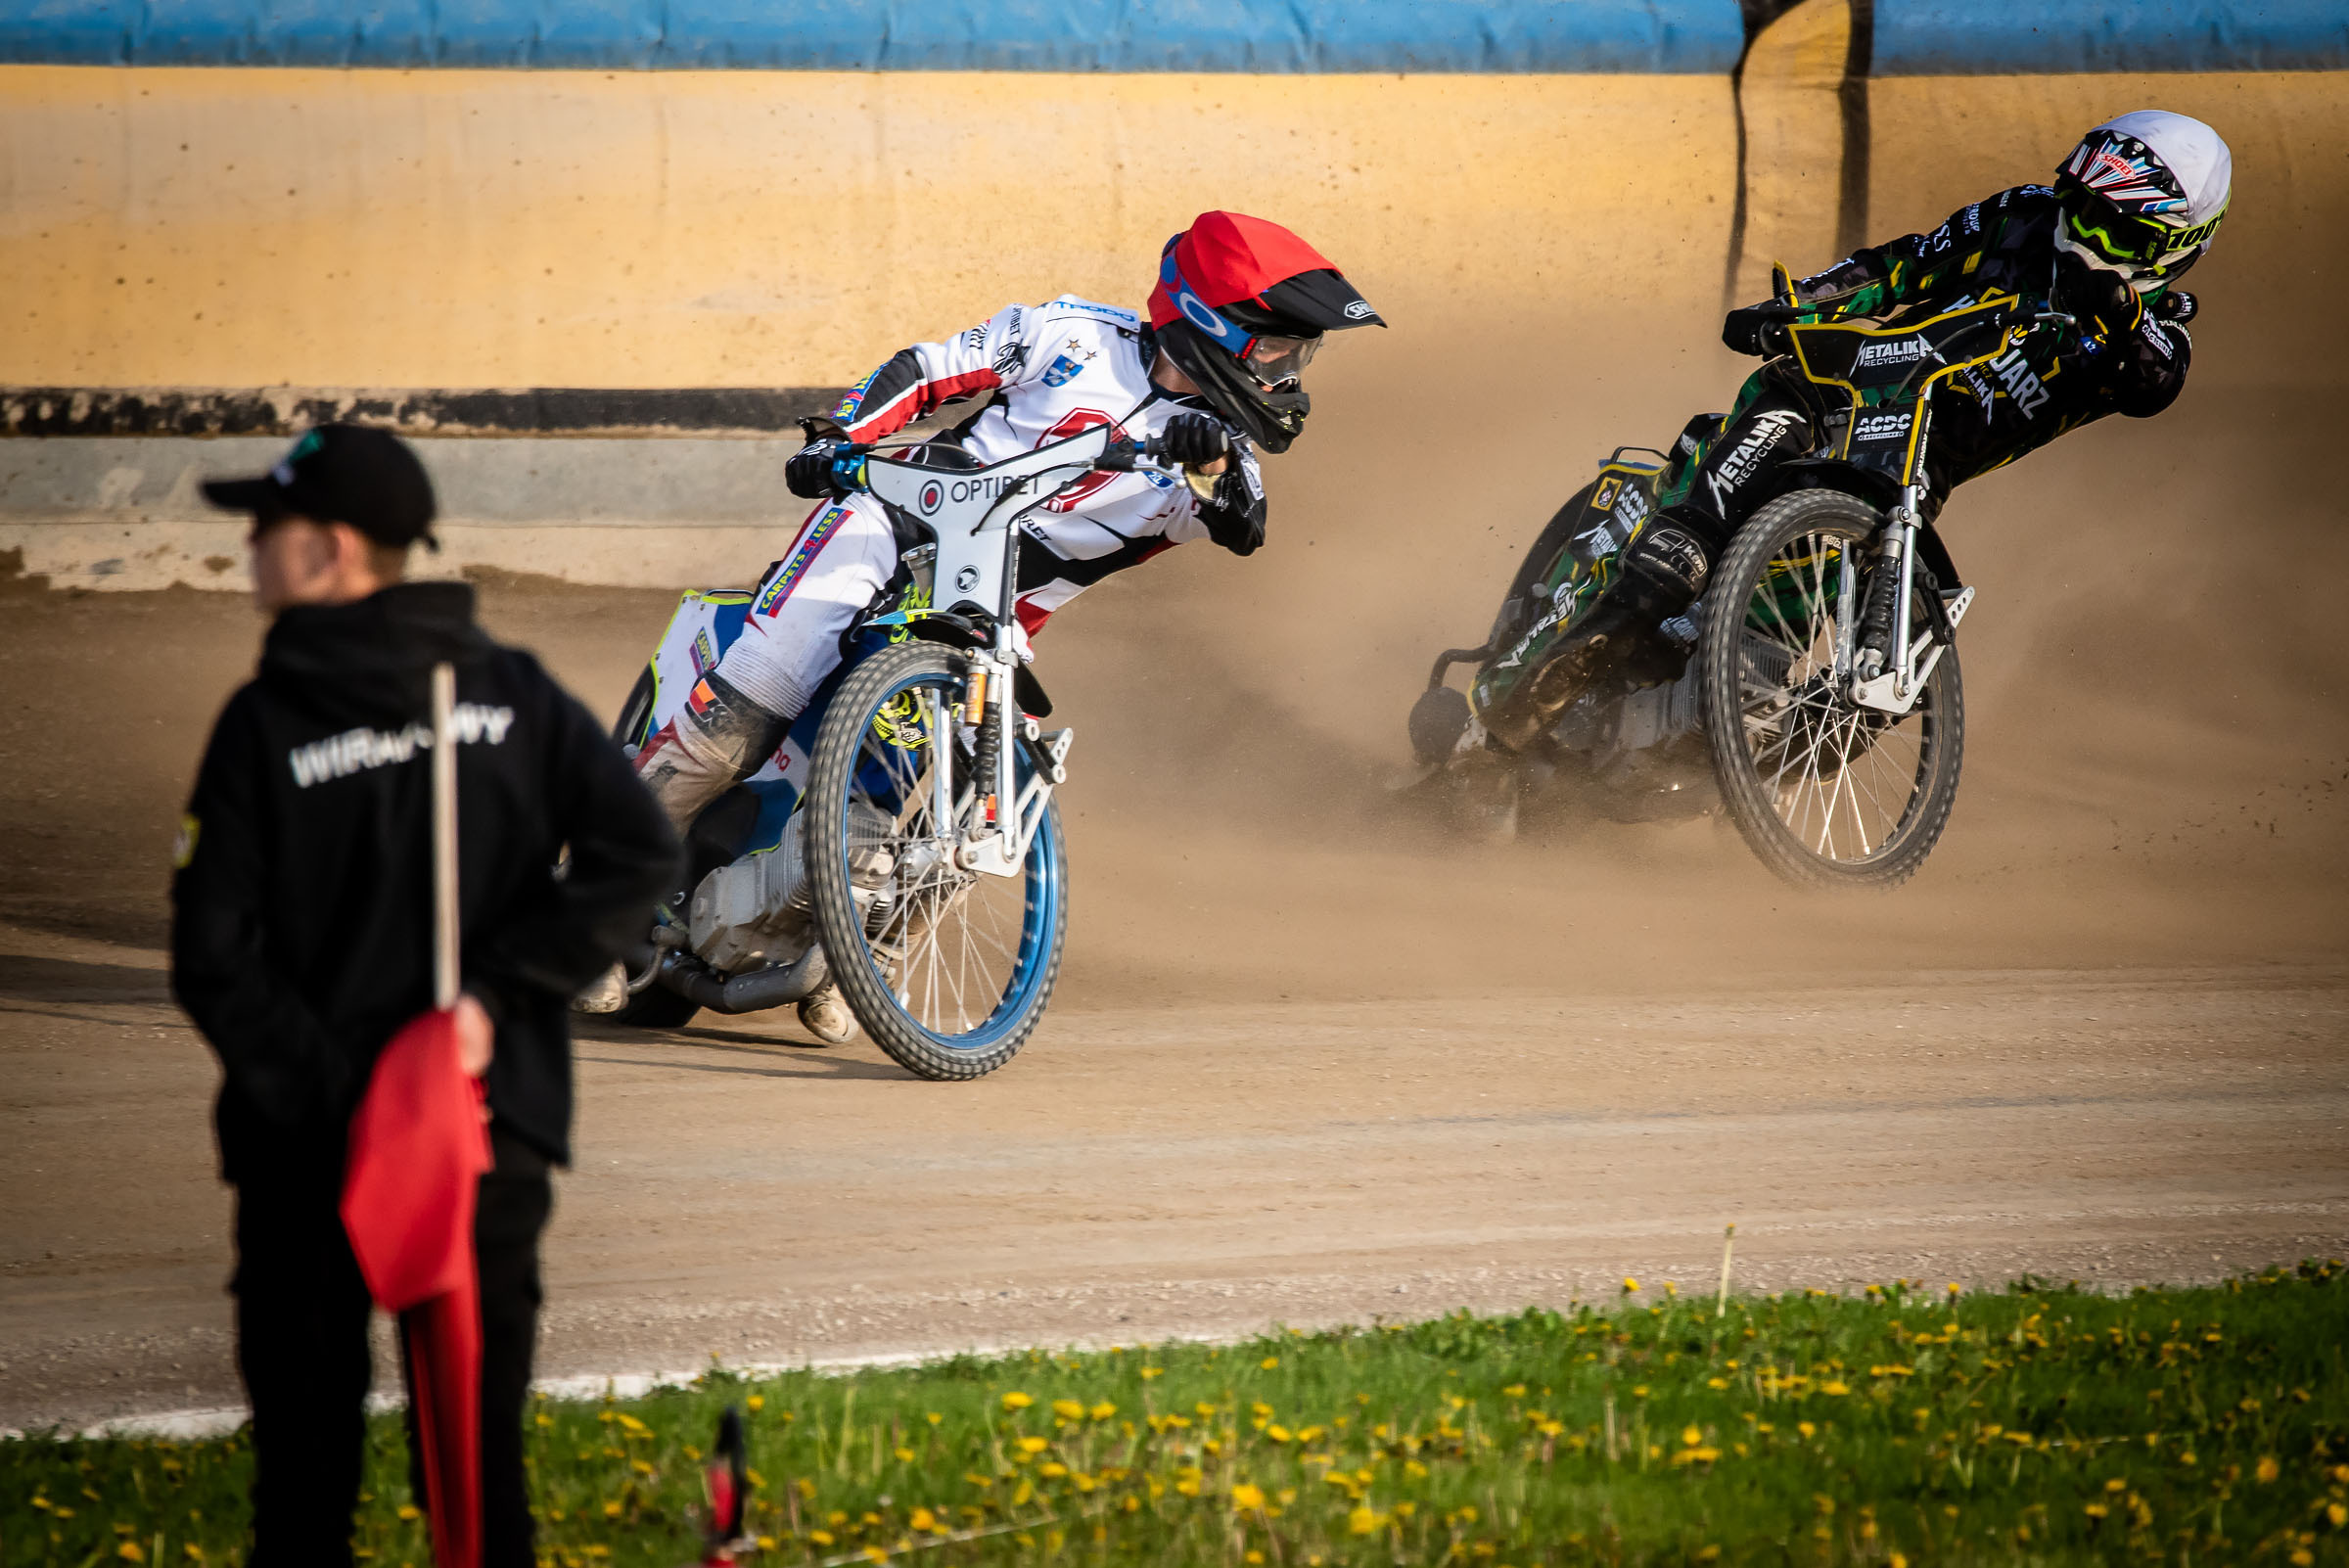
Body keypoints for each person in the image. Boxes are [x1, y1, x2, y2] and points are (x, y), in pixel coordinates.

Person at [576, 209, 1383, 1034]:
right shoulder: (1068, 333)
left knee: (1009, 777)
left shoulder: (1219, 444)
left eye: (1298, 351)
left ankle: (876, 950)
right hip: (890, 527)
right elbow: (926, 371)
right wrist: (842, 436)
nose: (1287, 368)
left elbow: (1245, 522)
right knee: (758, 693)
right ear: (1210, 323)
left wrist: (1206, 458)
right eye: (1275, 346)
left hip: (984, 625)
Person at [171, 424, 679, 1568]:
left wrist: (337, 1095)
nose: (249, 547)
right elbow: (640, 857)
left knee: (301, 1492)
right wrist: (495, 1006)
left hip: (310, 1154)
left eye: (268, 527)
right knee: (478, 1481)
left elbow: (210, 955)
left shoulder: (265, 727)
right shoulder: (512, 693)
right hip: (488, 1128)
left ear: (331, 552)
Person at [1494, 110, 2226, 742]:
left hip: (1913, 473)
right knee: (1775, 414)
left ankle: (1713, 747)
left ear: (2182, 244)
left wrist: (2120, 314)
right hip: (1854, 383)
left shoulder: (2160, 330)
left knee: (1841, 625)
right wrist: (1800, 304)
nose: (2087, 238)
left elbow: (2153, 383)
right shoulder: (2024, 213)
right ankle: (1641, 584)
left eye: (2119, 233)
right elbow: (1905, 265)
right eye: (2086, 212)